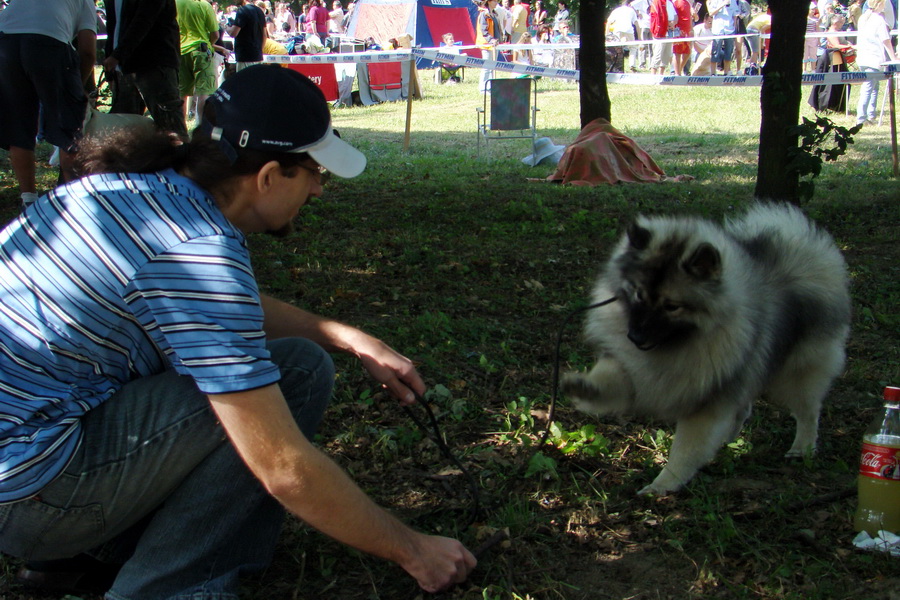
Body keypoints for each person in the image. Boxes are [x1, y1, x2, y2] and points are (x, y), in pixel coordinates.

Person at [0, 64, 477, 599]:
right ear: (270, 175)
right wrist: (414, 550)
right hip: (31, 494)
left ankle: (78, 558)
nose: (319, 190)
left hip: (19, 464)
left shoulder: (121, 190)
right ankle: (168, 587)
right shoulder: (198, 250)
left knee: (298, 356)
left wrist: (346, 336)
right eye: (314, 171)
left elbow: (212, 307)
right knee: (295, 376)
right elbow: (280, 464)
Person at [0, 0, 96, 207]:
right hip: (49, 44)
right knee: (69, 129)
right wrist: (78, 88)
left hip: (5, 43)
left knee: (19, 128)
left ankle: (29, 200)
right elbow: (88, 51)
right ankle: (75, 201)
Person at [103, 0, 188, 137]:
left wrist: (117, 55)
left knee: (172, 131)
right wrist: (111, 70)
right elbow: (112, 26)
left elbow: (145, 18)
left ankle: (182, 157)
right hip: (124, 67)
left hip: (155, 63)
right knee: (123, 134)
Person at [176, 0, 220, 124]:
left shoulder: (175, 3)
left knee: (182, 94)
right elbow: (215, 34)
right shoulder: (204, 5)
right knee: (204, 92)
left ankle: (181, 127)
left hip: (181, 51)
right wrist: (209, 44)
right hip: (201, 52)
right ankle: (201, 126)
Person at [855, 0, 897, 125]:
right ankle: (861, 118)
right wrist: (893, 57)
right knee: (868, 88)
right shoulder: (879, 20)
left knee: (874, 87)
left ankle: (871, 115)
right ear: (879, 4)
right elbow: (886, 41)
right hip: (873, 57)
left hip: (863, 57)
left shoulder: (863, 18)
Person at [808, 13, 852, 112]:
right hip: (832, 59)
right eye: (841, 22)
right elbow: (837, 45)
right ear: (836, 22)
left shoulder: (837, 31)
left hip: (838, 58)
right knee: (831, 83)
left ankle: (837, 105)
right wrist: (852, 47)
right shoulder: (832, 32)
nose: (842, 24)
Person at [227, 0, 267, 71]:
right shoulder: (260, 12)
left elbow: (233, 33)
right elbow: (264, 35)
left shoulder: (242, 11)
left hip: (245, 57)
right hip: (257, 56)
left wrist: (226, 27)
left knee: (244, 81)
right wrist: (259, 50)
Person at [607, 0, 639, 71]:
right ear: (629, 4)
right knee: (633, 47)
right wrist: (639, 37)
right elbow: (636, 24)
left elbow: (608, 22)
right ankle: (632, 65)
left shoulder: (616, 10)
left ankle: (616, 65)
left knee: (617, 49)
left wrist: (607, 34)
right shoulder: (631, 10)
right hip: (629, 30)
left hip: (618, 30)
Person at [476, 0, 501, 91]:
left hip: (495, 45)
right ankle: (483, 88)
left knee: (492, 67)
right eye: (494, 1)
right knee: (486, 67)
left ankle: (490, 87)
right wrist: (491, 40)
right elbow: (484, 31)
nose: (496, 2)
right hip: (486, 45)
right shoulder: (483, 14)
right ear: (489, 2)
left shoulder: (494, 14)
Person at [708, 0, 738, 75]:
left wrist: (734, 26)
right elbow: (711, 13)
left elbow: (735, 14)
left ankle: (726, 72)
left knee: (728, 52)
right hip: (718, 29)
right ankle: (713, 73)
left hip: (729, 29)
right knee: (715, 52)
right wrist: (722, 4)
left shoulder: (733, 1)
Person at [648, 0, 676, 75]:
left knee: (667, 54)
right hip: (660, 33)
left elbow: (675, 16)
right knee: (658, 54)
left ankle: (661, 74)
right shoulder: (657, 2)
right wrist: (665, 25)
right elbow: (657, 18)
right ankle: (653, 75)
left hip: (669, 33)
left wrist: (673, 23)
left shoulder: (670, 3)